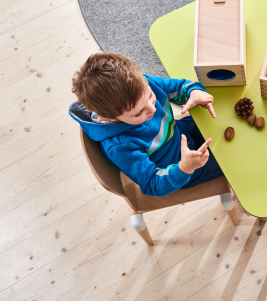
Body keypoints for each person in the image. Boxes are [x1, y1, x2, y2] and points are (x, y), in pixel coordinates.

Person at [69, 52, 223, 197]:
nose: (153, 109)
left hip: (181, 132)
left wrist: (193, 92)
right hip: (179, 169)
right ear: (108, 118)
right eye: (138, 113)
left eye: (151, 96)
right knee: (236, 160)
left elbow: (176, 87)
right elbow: (152, 184)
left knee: (225, 119)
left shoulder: (140, 86)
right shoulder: (119, 146)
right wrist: (184, 168)